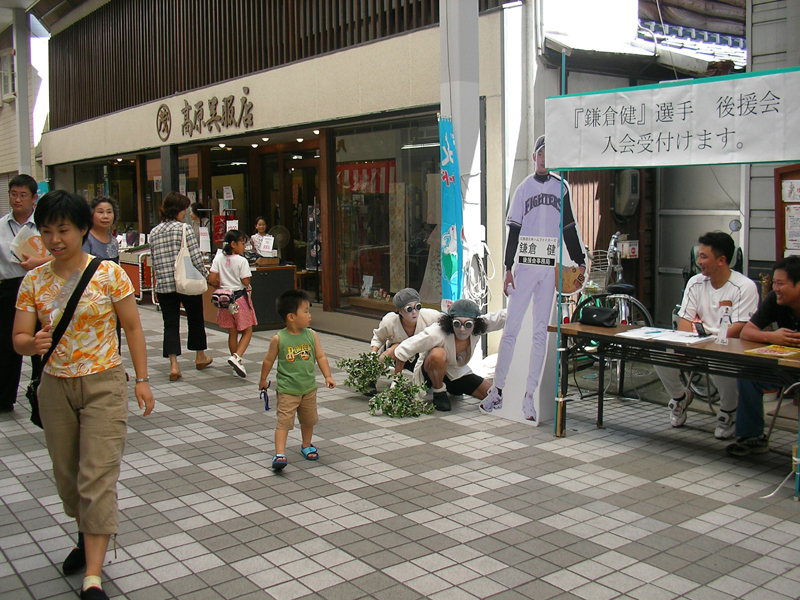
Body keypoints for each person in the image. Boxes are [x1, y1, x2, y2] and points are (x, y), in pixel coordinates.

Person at [12, 190, 154, 600]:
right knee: (68, 479)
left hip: (103, 383)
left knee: (97, 475)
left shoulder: (109, 274)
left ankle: (93, 575)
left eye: (64, 230)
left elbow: (132, 328)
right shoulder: (33, 281)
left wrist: (142, 380)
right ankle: (85, 532)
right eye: (47, 231)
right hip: (55, 387)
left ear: (81, 229)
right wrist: (29, 344)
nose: (55, 239)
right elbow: (19, 337)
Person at [483, 135, 586, 421]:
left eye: (549, 154)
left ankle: (529, 396)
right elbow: (514, 231)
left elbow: (568, 229)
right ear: (534, 156)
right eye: (541, 153)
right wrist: (506, 268)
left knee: (540, 330)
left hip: (550, 268)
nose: (544, 158)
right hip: (525, 266)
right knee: (512, 328)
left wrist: (579, 261)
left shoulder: (561, 188)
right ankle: (498, 390)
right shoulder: (523, 189)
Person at [656, 231, 758, 439]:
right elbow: (685, 319)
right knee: (660, 351)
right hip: (697, 342)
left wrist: (711, 343)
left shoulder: (744, 287)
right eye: (698, 255)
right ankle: (680, 397)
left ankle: (728, 411)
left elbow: (740, 326)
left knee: (720, 359)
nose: (698, 261)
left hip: (729, 345)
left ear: (721, 260)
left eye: (703, 256)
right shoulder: (695, 282)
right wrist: (683, 345)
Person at [728, 256, 800, 456]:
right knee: (748, 373)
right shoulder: (775, 301)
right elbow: (747, 332)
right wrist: (772, 336)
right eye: (774, 283)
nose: (775, 288)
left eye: (781, 283)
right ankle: (752, 437)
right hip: (785, 366)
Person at [257, 289, 335, 471]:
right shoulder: (279, 339)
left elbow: (321, 357)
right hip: (287, 390)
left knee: (308, 420)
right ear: (291, 317)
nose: (309, 315)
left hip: (308, 388)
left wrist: (327, 376)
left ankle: (306, 444)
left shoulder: (311, 335)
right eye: (306, 311)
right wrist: (263, 379)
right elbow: (268, 360)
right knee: (283, 421)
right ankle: (279, 453)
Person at [394, 299, 506, 412]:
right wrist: (396, 383)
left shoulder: (479, 328)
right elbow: (403, 350)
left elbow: (502, 317)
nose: (462, 329)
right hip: (430, 373)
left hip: (456, 372)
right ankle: (438, 392)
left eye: (468, 324)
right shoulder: (436, 332)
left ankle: (454, 388)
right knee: (438, 354)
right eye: (457, 324)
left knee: (494, 397)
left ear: (475, 324)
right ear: (450, 322)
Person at [0, 174, 50, 414]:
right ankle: (4, 398)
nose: (17, 199)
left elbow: (59, 252)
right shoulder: (1, 225)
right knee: (8, 343)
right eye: (13, 194)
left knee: (40, 342)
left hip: (40, 285)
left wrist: (38, 262)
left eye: (23, 195)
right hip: (8, 288)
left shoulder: (44, 225)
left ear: (33, 198)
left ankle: (42, 395)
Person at [149, 191, 212, 380]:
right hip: (186, 283)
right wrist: (208, 277)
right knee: (195, 318)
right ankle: (200, 356)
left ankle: (174, 365)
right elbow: (195, 258)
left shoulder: (154, 232)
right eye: (184, 208)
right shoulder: (184, 229)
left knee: (170, 324)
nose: (185, 212)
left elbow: (153, 260)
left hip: (164, 286)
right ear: (177, 209)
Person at [368, 287, 441, 392]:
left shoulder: (430, 316)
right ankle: (373, 377)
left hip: (419, 357)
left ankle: (427, 381)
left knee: (427, 383)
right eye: (409, 309)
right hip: (395, 356)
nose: (414, 312)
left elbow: (446, 322)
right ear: (400, 311)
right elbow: (379, 337)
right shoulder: (390, 321)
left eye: (417, 307)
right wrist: (373, 353)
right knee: (396, 347)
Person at [209, 230, 256, 378]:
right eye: (242, 243)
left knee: (232, 332)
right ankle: (236, 357)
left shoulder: (219, 258)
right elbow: (245, 281)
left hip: (224, 299)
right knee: (247, 330)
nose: (244, 246)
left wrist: (220, 285)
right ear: (233, 244)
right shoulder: (242, 261)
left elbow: (211, 279)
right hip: (239, 299)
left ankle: (235, 360)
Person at [82, 196, 120, 262]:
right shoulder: (85, 239)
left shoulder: (114, 241)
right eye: (100, 212)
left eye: (109, 212)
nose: (105, 216)